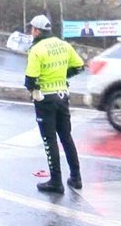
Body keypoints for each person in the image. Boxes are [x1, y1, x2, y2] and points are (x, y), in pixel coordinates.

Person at [24, 14, 85, 193]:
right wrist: (63, 77)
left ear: (36, 30)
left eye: (31, 29)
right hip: (62, 96)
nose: (31, 32)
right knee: (66, 137)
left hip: (45, 99)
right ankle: (76, 177)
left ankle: (56, 181)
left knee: (49, 140)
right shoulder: (64, 45)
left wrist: (35, 92)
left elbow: (30, 79)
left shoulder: (36, 49)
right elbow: (79, 66)